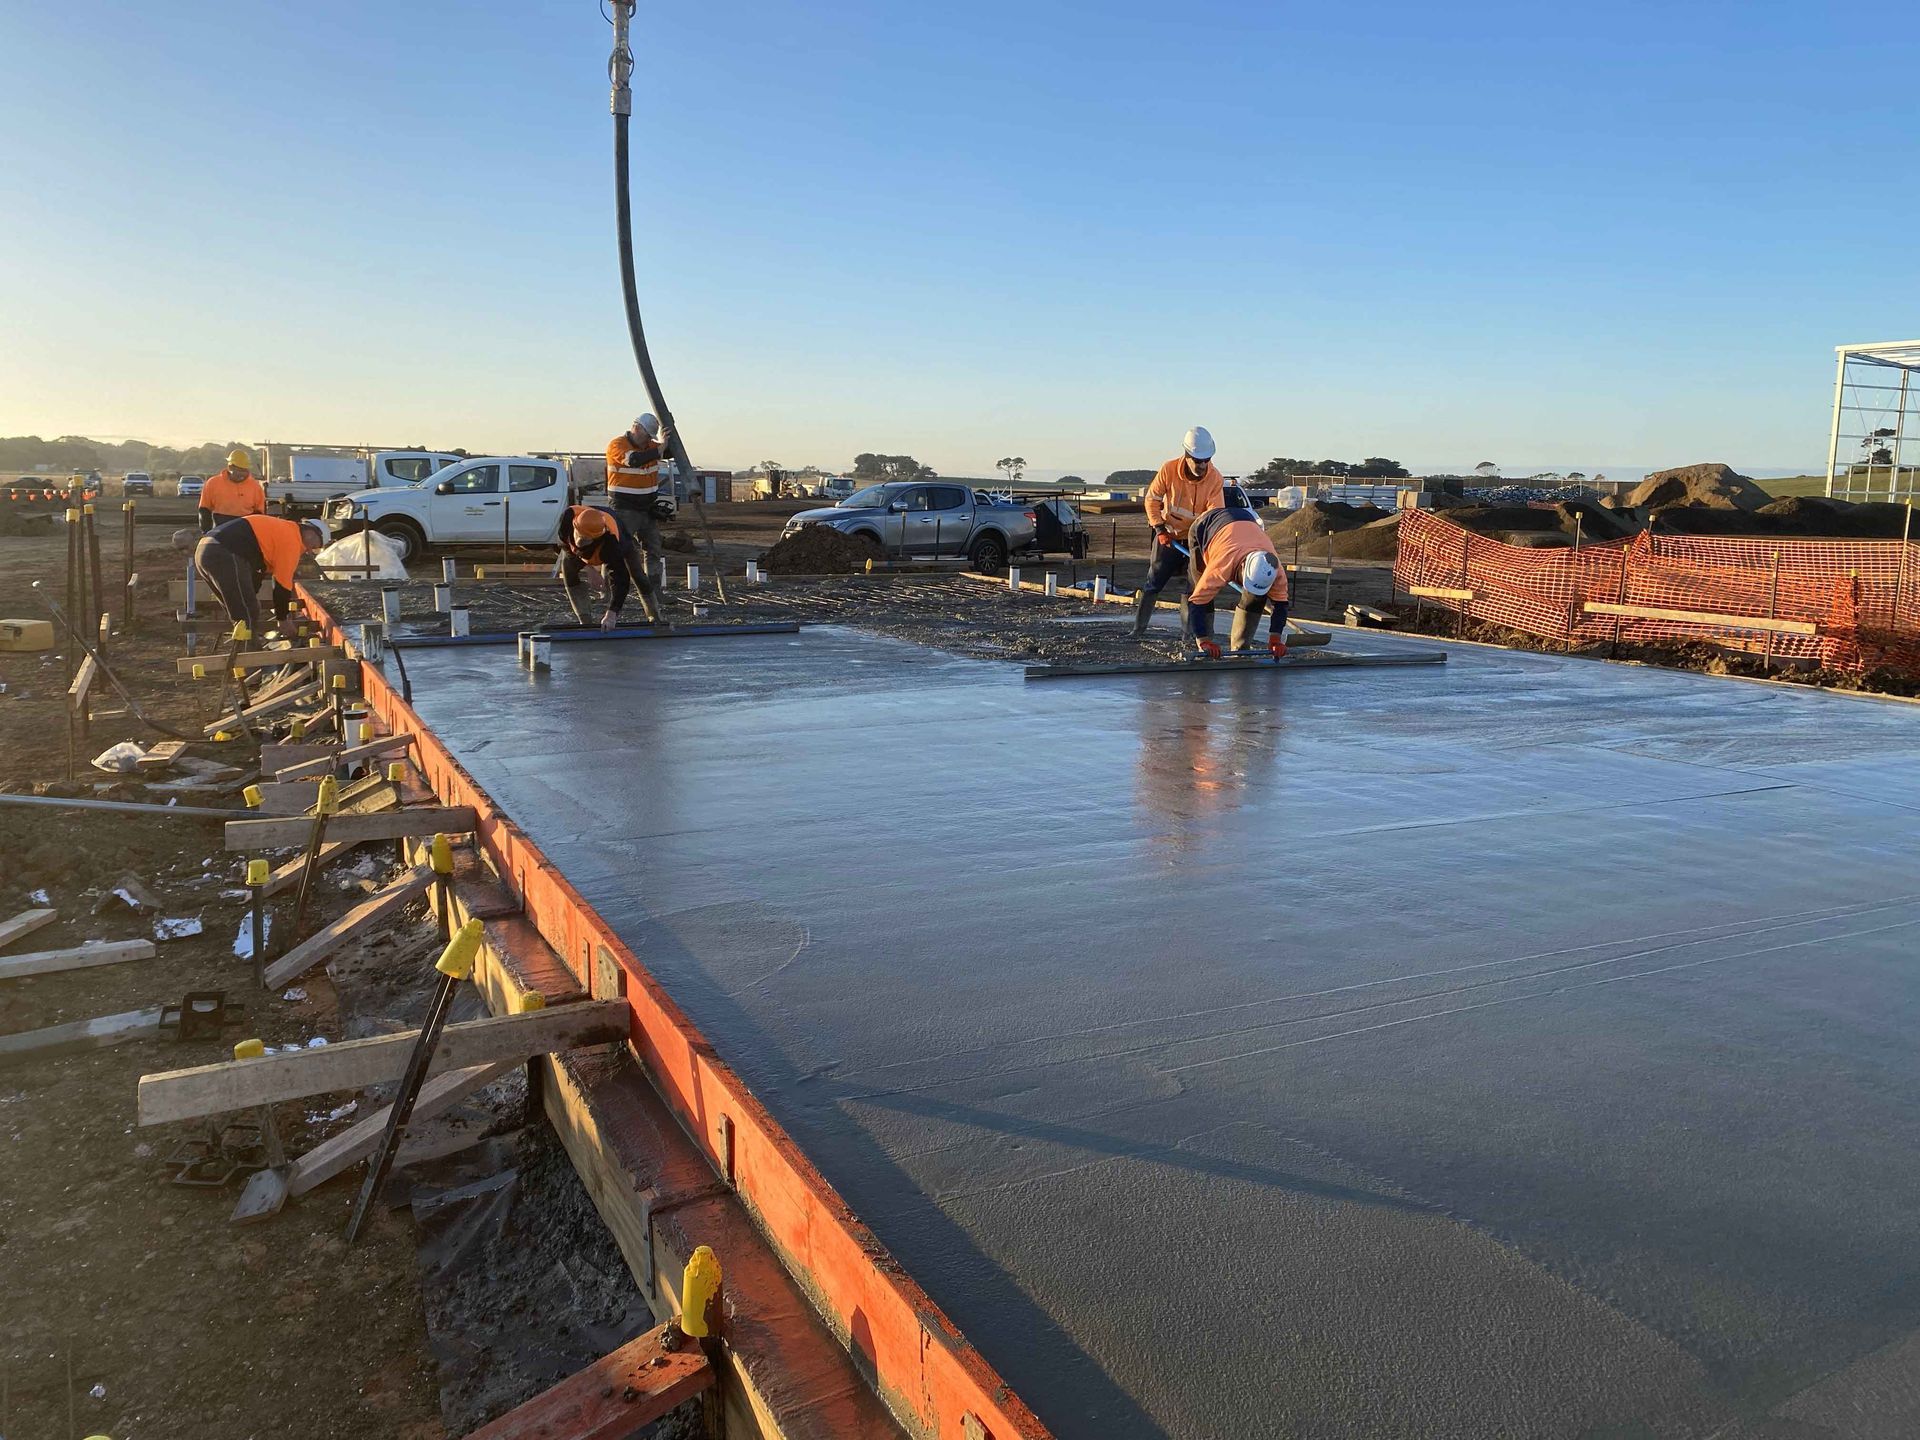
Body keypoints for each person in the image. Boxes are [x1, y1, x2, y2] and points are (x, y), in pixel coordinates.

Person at [1133, 426, 1226, 637]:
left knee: (1193, 589)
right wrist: (1159, 527)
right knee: (1153, 583)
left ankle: (1188, 635)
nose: (1203, 465)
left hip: (1195, 542)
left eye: (1207, 460)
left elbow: (1215, 515)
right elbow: (1152, 499)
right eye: (1198, 460)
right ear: (1187, 455)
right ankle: (1138, 630)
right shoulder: (1169, 469)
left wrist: (1209, 546)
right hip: (1169, 535)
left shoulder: (1215, 479)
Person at [193, 513, 330, 637]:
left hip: (205, 551)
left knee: (242, 608)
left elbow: (256, 573)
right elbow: (281, 585)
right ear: (312, 534)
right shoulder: (292, 540)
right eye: (314, 546)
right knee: (248, 611)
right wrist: (282, 619)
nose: (310, 551)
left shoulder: (281, 530)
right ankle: (250, 657)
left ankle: (247, 648)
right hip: (224, 553)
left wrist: (253, 594)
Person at [1183, 501, 1289, 659]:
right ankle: (1202, 643)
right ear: (1242, 567)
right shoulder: (1221, 566)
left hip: (1245, 522)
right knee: (1201, 588)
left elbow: (1281, 604)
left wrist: (1275, 638)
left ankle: (1240, 649)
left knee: (1256, 598)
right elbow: (1197, 602)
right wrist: (1204, 641)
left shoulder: (1275, 570)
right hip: (1206, 525)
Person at [558, 504, 661, 629]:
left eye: (586, 539)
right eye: (579, 535)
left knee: (636, 573)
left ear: (597, 538)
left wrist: (612, 614)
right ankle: (584, 620)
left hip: (619, 537)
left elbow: (621, 579)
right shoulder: (567, 519)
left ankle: (655, 616)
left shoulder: (612, 543)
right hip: (585, 535)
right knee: (568, 570)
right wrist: (589, 569)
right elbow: (563, 545)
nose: (580, 541)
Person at [604, 413, 672, 588]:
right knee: (616, 549)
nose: (648, 440)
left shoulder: (650, 446)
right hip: (624, 508)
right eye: (647, 435)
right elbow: (633, 460)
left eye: (651, 437)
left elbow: (671, 451)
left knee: (654, 549)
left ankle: (654, 591)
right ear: (636, 428)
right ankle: (608, 591)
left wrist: (670, 432)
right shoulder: (617, 445)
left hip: (647, 508)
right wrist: (660, 448)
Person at [197, 446, 268, 532]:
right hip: (221, 531)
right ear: (230, 467)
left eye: (244, 470)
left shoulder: (255, 487)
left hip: (245, 531)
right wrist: (206, 532)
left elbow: (260, 514)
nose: (242, 474)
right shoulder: (212, 484)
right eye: (239, 470)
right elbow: (204, 510)